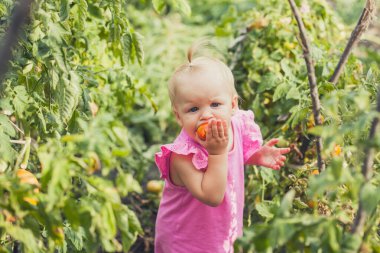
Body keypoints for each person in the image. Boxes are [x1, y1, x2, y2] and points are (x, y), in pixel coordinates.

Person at [154, 42, 290, 253]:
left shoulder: (234, 126)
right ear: (179, 116)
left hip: (220, 234)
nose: (207, 115)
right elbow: (212, 196)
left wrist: (254, 155)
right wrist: (217, 152)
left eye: (215, 105)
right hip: (185, 242)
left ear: (233, 105)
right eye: (193, 109)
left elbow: (235, 156)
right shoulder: (183, 156)